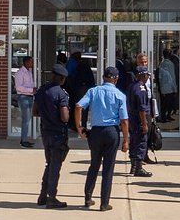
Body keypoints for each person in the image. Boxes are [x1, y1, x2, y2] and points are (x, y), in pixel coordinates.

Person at [75, 65, 129, 211]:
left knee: (94, 164)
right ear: (116, 79)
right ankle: (104, 202)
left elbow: (79, 106)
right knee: (108, 168)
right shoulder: (120, 95)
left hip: (96, 132)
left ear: (103, 77)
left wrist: (79, 127)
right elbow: (124, 120)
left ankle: (88, 197)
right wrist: (125, 140)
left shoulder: (94, 91)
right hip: (111, 131)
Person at [34, 63, 71, 209]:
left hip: (45, 132)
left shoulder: (42, 90)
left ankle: (43, 195)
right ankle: (51, 197)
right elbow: (64, 117)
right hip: (58, 133)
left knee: (49, 164)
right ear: (62, 78)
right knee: (56, 165)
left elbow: (34, 112)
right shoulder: (61, 94)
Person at [125, 64, 153, 178]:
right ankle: (138, 168)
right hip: (139, 119)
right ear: (142, 75)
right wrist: (145, 124)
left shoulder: (132, 86)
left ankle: (133, 166)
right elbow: (142, 109)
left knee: (134, 141)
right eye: (147, 75)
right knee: (141, 142)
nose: (148, 77)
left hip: (132, 118)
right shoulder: (141, 88)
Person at [66, 51, 96, 131]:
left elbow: (72, 77)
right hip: (86, 88)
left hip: (79, 89)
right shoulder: (85, 67)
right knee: (85, 108)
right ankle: (83, 125)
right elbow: (91, 79)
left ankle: (77, 125)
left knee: (77, 106)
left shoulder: (78, 67)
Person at [13, 54, 37, 148]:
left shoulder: (29, 72)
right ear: (26, 62)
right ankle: (24, 140)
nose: (32, 63)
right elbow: (19, 87)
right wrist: (31, 90)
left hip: (30, 97)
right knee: (25, 120)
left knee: (28, 119)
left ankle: (25, 139)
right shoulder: (20, 73)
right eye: (31, 61)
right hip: (24, 97)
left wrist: (33, 89)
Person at [157, 51, 178, 124]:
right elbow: (173, 76)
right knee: (169, 103)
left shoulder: (161, 64)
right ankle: (166, 116)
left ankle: (164, 116)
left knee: (164, 103)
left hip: (163, 86)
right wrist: (175, 88)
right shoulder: (171, 64)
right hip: (169, 86)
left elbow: (160, 77)